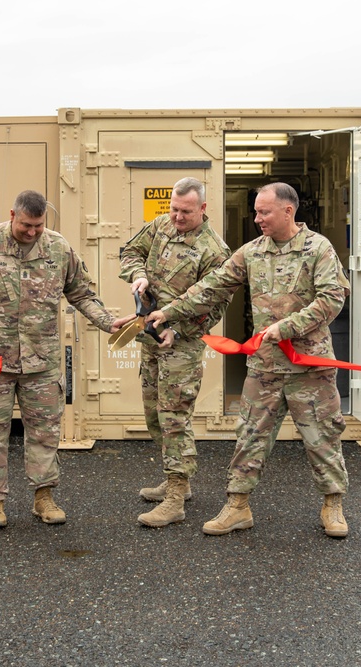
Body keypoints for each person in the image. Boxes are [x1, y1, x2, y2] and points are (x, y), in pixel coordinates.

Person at [0, 190, 134, 529]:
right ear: (12, 215)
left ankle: (44, 496)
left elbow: (82, 293)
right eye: (25, 225)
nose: (32, 232)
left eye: (38, 226)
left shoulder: (59, 248)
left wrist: (108, 322)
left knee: (45, 432)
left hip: (41, 361)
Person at [146, 182, 352, 538]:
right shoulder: (252, 252)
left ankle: (332, 504)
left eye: (264, 212)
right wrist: (167, 312)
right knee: (249, 437)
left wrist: (287, 327)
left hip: (310, 368)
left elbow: (331, 299)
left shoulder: (318, 248)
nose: (257, 219)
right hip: (264, 367)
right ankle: (237, 505)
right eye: (256, 212)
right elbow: (212, 285)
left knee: (322, 437)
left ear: (288, 211)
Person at [118, 177, 231, 527]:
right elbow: (130, 251)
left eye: (185, 211)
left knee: (174, 418)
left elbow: (216, 306)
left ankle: (175, 497)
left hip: (180, 345)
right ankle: (175, 482)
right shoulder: (160, 226)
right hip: (150, 338)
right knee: (154, 414)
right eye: (173, 209)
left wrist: (178, 328)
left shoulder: (214, 251)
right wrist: (138, 276)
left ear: (203, 209)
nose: (177, 217)